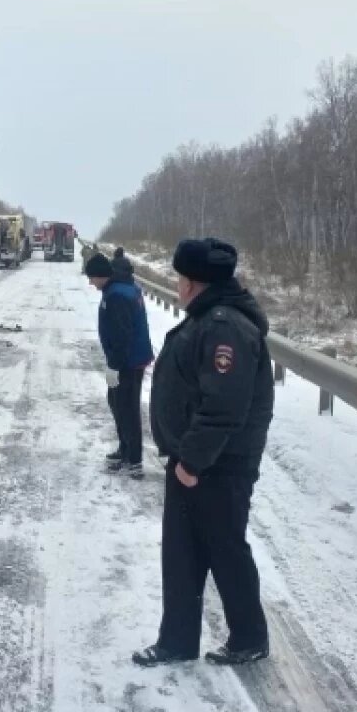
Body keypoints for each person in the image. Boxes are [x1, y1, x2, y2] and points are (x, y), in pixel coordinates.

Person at [135, 237, 274, 668]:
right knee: (182, 554)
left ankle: (249, 638)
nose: (177, 285)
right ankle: (177, 641)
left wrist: (193, 462)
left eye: (180, 277)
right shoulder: (209, 319)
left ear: (193, 283)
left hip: (218, 466)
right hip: (195, 462)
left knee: (224, 550)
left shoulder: (224, 327)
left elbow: (224, 406)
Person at [84, 252, 154, 479]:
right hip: (131, 358)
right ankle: (125, 449)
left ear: (102, 275)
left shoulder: (116, 296)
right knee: (117, 402)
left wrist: (114, 366)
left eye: (91, 278)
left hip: (129, 361)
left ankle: (134, 459)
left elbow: (123, 336)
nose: (90, 283)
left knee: (127, 408)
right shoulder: (121, 288)